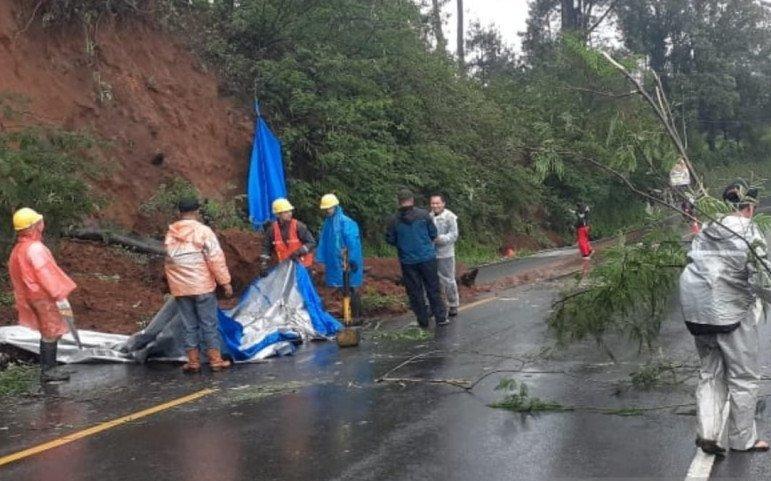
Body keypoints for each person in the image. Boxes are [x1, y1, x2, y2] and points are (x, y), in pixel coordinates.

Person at [679, 180, 771, 455]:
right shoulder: (749, 232)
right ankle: (743, 440)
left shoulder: (707, 227)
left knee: (710, 373)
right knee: (743, 376)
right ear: (749, 206)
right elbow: (763, 279)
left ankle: (708, 433)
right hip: (729, 313)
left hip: (696, 310)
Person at [8, 208, 77, 383]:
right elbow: (46, 274)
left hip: (30, 297)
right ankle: (48, 370)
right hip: (43, 297)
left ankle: (48, 368)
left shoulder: (18, 249)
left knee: (47, 330)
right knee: (50, 331)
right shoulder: (35, 249)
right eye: (39, 222)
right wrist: (59, 294)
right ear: (34, 226)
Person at [164, 198, 233, 373]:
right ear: (196, 212)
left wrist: (175, 284)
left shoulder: (171, 234)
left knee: (189, 325)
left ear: (179, 213)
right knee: (208, 323)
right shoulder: (203, 231)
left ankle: (193, 362)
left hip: (180, 288)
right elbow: (215, 258)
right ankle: (215, 360)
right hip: (202, 285)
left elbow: (170, 261)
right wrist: (225, 282)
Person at [386, 189, 448, 328]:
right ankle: (440, 317)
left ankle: (423, 320)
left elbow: (390, 239)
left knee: (415, 292)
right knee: (433, 288)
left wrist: (402, 243)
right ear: (412, 200)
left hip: (408, 261)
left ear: (398, 201)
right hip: (427, 258)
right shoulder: (424, 215)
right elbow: (433, 233)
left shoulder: (393, 220)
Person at [316, 194, 364, 319]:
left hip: (347, 260)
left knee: (351, 287)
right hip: (336, 262)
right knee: (344, 289)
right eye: (326, 208)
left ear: (335, 206)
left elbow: (353, 243)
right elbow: (324, 242)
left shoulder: (346, 222)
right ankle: (348, 316)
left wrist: (351, 260)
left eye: (329, 208)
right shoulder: (328, 223)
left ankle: (356, 316)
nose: (327, 210)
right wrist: (321, 259)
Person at [261, 198, 316, 269]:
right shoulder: (272, 230)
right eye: (286, 212)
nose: (290, 213)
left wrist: (299, 252)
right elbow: (266, 247)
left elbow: (311, 243)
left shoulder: (298, 226)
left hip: (303, 265)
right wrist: (264, 264)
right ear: (278, 214)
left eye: (290, 211)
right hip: (286, 267)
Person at [429, 194, 460, 317]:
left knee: (448, 280)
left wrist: (440, 239)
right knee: (433, 281)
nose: (435, 206)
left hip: (446, 253)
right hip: (431, 254)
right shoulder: (428, 217)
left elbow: (454, 234)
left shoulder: (450, 217)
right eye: (433, 203)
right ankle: (437, 305)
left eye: (437, 203)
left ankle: (453, 304)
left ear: (443, 203)